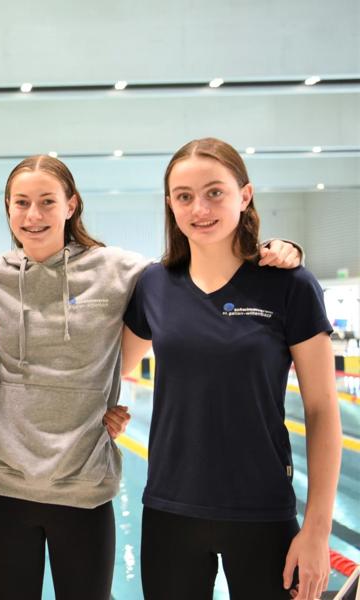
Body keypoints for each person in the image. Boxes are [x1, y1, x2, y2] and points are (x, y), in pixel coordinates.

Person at [0, 155, 302, 599]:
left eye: (47, 201)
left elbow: (190, 276)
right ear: (8, 209)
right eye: (21, 203)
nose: (33, 215)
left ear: (71, 204)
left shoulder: (119, 270)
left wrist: (278, 248)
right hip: (7, 487)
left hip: (85, 490)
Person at [121, 137, 341, 600]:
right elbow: (111, 366)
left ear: (244, 195)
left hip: (261, 510)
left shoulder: (290, 285)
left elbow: (322, 408)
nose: (199, 207)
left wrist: (318, 530)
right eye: (184, 196)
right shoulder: (155, 285)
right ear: (170, 206)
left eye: (214, 192)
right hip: (170, 510)